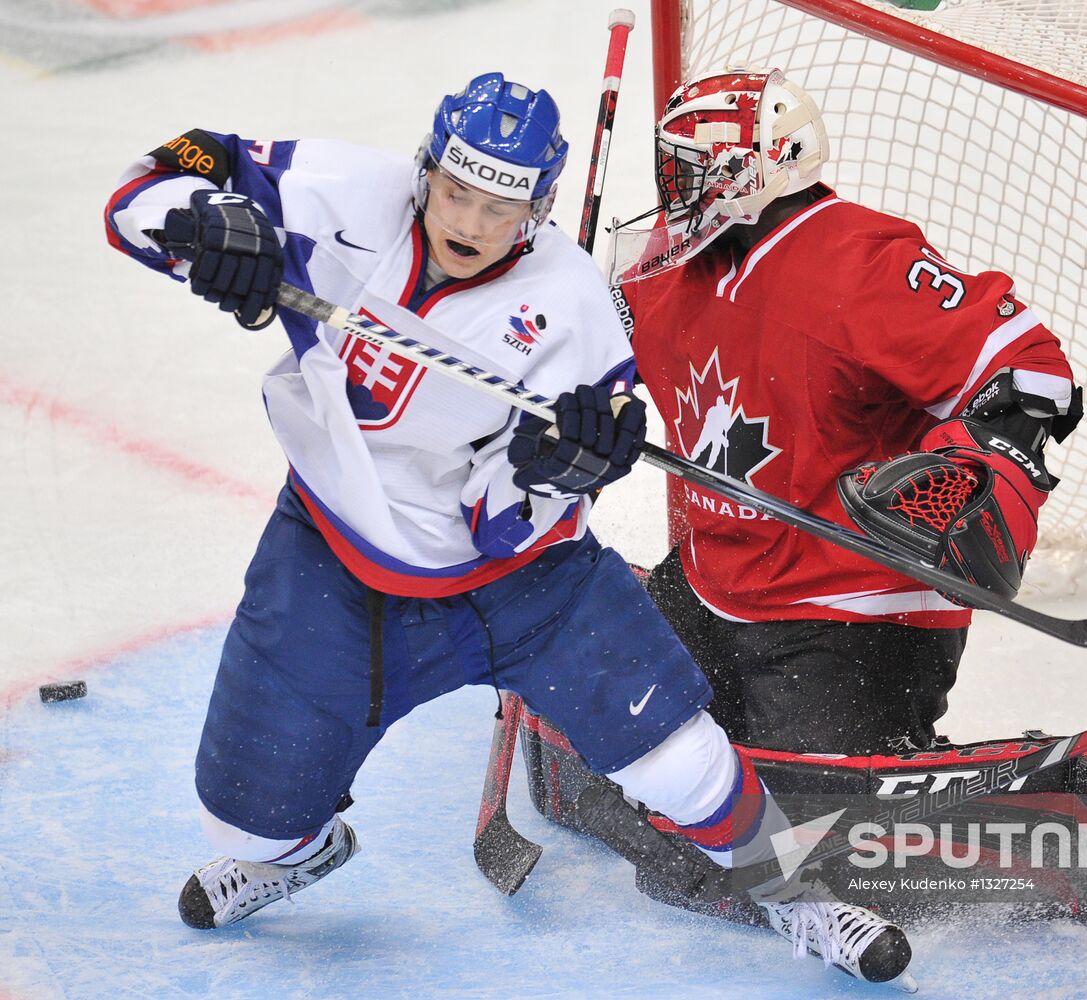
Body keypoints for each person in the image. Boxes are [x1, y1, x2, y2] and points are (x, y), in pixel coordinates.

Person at [102, 72, 918, 991]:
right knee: (246, 822)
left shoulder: (570, 311)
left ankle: (794, 895)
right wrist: (206, 225)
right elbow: (152, 183)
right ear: (427, 168)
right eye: (457, 191)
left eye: (502, 205)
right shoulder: (339, 193)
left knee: (681, 760)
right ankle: (301, 852)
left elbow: (506, 529)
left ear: (537, 207)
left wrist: (556, 470)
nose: (472, 222)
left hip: (527, 584)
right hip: (330, 557)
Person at [522, 66, 1087, 935]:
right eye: (669, 173)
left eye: (690, 173)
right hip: (717, 579)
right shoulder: (662, 271)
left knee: (802, 860)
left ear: (753, 169)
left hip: (852, 607)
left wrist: (978, 465)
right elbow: (574, 352)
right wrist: (560, 392)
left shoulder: (855, 259)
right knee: (630, 756)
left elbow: (1029, 370)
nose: (673, 195)